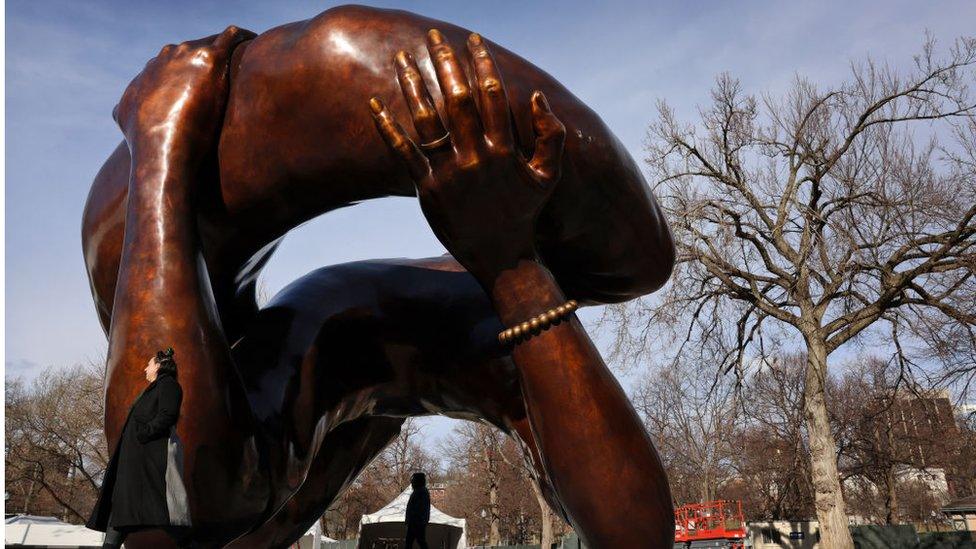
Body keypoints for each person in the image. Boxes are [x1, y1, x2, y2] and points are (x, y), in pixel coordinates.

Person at [86, 348, 191, 548]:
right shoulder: (153, 389)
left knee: (164, 513)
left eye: (149, 364)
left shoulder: (169, 385)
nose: (145, 369)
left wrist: (144, 433)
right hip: (134, 463)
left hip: (151, 461)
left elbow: (168, 415)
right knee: (121, 510)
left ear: (159, 366)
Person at [404, 473, 431, 549]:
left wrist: (412, 520)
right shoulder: (419, 491)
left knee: (418, 541)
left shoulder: (421, 492)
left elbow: (418, 508)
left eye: (413, 480)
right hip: (415, 522)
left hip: (416, 522)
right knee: (413, 541)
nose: (412, 482)